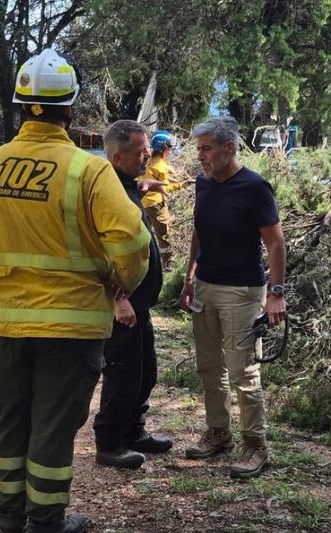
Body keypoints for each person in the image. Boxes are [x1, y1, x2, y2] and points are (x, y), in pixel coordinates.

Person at [0, 48, 151, 533]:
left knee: (11, 422)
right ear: (69, 109)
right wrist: (122, 283)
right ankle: (45, 526)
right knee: (52, 427)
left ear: (20, 104)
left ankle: (9, 522)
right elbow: (133, 241)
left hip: (8, 321)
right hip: (71, 325)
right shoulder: (88, 171)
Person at [178, 116, 286, 479]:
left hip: (243, 291)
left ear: (230, 148)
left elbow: (275, 242)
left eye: (206, 149)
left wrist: (276, 294)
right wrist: (190, 273)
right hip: (206, 286)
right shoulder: (203, 184)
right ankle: (218, 433)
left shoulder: (255, 187)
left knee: (243, 372)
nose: (201, 157)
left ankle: (256, 446)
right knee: (209, 368)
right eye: (199, 149)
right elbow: (198, 230)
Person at [92, 120, 173, 469]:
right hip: (122, 304)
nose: (147, 155)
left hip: (141, 302)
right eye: (140, 151)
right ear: (116, 156)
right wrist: (117, 298)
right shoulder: (103, 191)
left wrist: (145, 185)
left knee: (146, 373)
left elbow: (133, 190)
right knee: (122, 376)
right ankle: (109, 443)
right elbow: (99, 248)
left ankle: (133, 431)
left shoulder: (124, 184)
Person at [141, 130, 183, 268]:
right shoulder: (161, 166)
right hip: (156, 204)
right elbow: (164, 188)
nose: (170, 152)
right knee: (164, 234)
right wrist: (178, 185)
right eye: (169, 149)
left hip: (144, 204)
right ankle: (168, 262)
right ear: (163, 149)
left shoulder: (150, 162)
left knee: (146, 233)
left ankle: (146, 261)